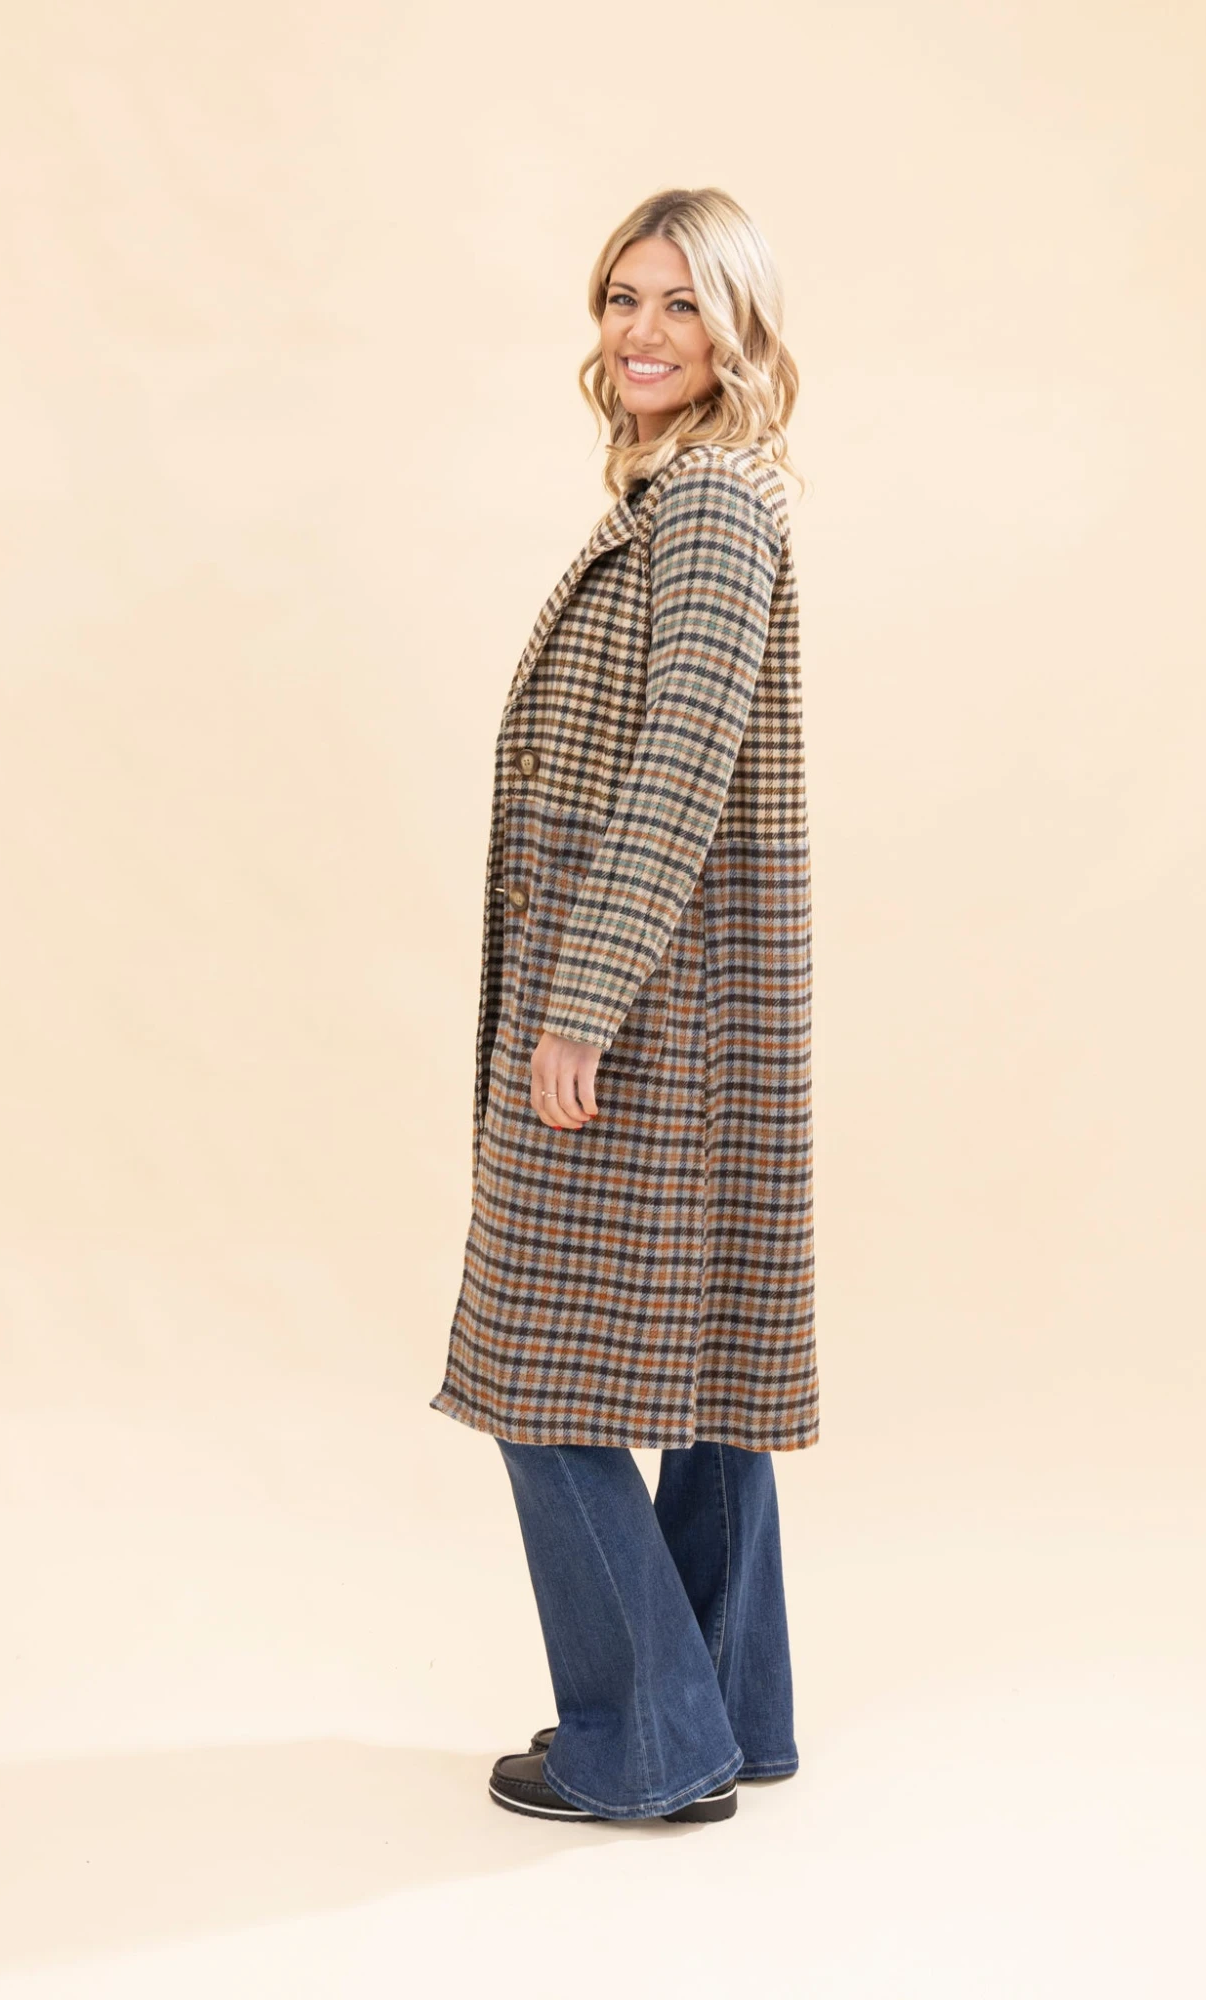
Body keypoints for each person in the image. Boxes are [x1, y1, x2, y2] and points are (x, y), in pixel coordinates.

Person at [429, 186, 819, 1825]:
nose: (643, 332)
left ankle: (647, 1743)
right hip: (691, 1004)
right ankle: (730, 1711)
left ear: (737, 330)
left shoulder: (712, 504)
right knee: (710, 1374)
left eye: (681, 304)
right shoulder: (689, 496)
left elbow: (676, 774)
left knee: (538, 1370)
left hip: (651, 1012)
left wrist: (579, 1004)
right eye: (622, 299)